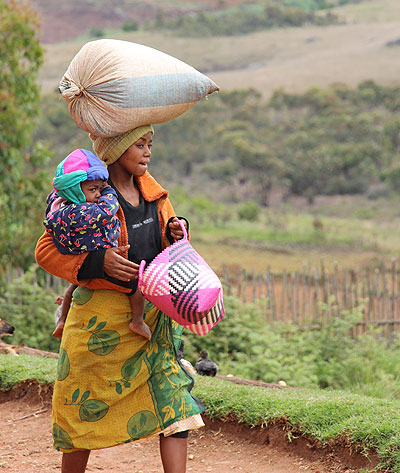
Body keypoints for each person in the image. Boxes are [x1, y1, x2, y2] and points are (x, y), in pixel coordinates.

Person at [35, 125, 204, 473]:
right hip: (100, 324)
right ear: (114, 150)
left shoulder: (153, 193)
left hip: (152, 318)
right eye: (138, 146)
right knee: (81, 410)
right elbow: (45, 250)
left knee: (175, 404)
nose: (147, 153)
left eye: (149, 145)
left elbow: (168, 233)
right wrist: (98, 261)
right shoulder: (90, 195)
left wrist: (177, 230)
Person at [43, 148, 151, 340]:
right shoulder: (83, 211)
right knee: (136, 286)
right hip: (102, 272)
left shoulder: (58, 205)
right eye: (93, 190)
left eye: (99, 189)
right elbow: (108, 209)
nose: (98, 194)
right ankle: (137, 320)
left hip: (81, 258)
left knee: (72, 287)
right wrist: (108, 189)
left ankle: (62, 320)